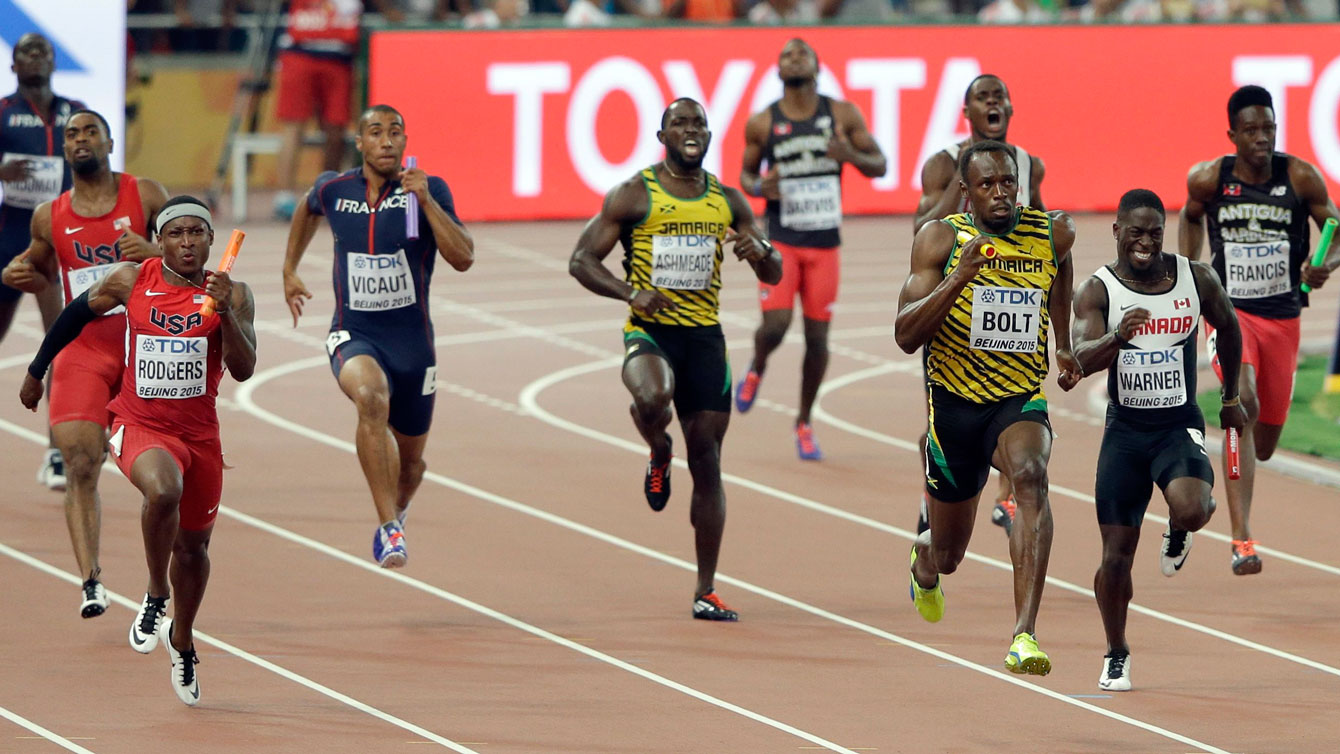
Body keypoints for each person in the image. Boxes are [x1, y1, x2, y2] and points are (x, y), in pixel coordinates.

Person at [20, 196, 257, 706]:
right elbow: (73, 317)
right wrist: (38, 370)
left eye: (197, 233)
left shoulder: (232, 294)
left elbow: (243, 370)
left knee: (193, 551)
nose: (187, 242)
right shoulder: (133, 280)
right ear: (161, 240)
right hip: (138, 423)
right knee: (163, 488)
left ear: (211, 240)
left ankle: (183, 638)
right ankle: (155, 592)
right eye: (176, 233)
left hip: (201, 437)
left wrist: (228, 317)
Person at [569, 97, 781, 621]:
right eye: (679, 123)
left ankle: (705, 589)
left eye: (699, 123)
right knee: (652, 396)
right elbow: (580, 260)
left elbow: (773, 272)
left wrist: (763, 255)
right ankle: (658, 447)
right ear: (661, 136)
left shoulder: (728, 200)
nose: (691, 130)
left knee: (708, 464)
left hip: (705, 341)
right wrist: (628, 293)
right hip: (652, 333)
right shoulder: (635, 194)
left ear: (709, 136)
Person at [894, 140, 1079, 675]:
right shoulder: (941, 239)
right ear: (965, 192)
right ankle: (924, 562)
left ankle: (1024, 635)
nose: (1000, 193)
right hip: (953, 409)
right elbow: (905, 335)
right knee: (950, 556)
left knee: (1031, 472)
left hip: (1016, 399)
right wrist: (960, 277)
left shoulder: (1051, 231)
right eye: (987, 185)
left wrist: (1062, 342)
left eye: (1008, 183)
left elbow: (1060, 268)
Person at [283, 104, 474, 568]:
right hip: (355, 332)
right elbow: (308, 209)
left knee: (410, 467)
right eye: (376, 132)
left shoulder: (427, 191)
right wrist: (289, 268)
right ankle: (390, 529)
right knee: (370, 397)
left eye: (395, 132)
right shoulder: (335, 188)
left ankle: (399, 509)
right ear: (360, 142)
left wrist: (426, 202)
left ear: (405, 141)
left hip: (413, 347)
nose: (386, 141)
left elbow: (464, 257)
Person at [1072, 189, 1246, 692]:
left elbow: (1229, 328)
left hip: (1177, 425)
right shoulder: (1098, 290)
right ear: (1117, 232)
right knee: (1114, 558)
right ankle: (1116, 652)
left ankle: (1178, 526)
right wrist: (1117, 339)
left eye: (1154, 232)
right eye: (1136, 232)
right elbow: (1080, 358)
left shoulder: (1196, 278)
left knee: (1194, 507)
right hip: (1125, 433)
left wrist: (1231, 397)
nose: (1146, 242)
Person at [2, 108, 169, 619]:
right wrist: (21, 273)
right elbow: (39, 265)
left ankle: (160, 582)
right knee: (79, 462)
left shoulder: (146, 196)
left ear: (110, 141)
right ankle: (91, 581)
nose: (80, 139)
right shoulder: (48, 215)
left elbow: (193, 253)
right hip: (84, 350)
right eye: (72, 133)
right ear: (65, 148)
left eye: (90, 131)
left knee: (165, 482)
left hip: (147, 349)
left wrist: (155, 249)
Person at [1178, 85, 1340, 575]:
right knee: (1239, 403)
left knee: (1265, 440)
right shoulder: (1209, 179)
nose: (1261, 138)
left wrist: (1324, 264)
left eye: (1268, 128)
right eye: (1250, 131)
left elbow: (1336, 229)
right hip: (1230, 314)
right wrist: (1190, 274)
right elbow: (1188, 217)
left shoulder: (1300, 176)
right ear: (1232, 135)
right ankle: (1242, 539)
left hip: (1283, 318)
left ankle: (1234, 471)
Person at [734, 38, 887, 461]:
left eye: (802, 53)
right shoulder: (763, 123)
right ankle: (758, 365)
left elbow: (881, 165)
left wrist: (849, 154)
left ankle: (803, 421)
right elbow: (745, 176)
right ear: (778, 71)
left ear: (818, 66)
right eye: (786, 54)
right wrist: (758, 186)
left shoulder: (841, 114)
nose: (794, 57)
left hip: (824, 244)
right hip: (781, 240)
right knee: (776, 327)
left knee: (818, 339)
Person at [914, 73, 1048, 536]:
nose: (992, 104)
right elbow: (924, 227)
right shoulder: (941, 164)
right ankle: (936, 495)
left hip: (1014, 300)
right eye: (982, 98)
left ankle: (1006, 497)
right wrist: (964, 178)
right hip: (956, 308)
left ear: (1010, 109)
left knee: (1018, 411)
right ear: (967, 113)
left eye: (999, 97)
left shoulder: (1029, 165)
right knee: (946, 419)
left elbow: (1043, 227)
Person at [0, 32, 88, 490]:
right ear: (14, 66)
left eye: (43, 51)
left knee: (63, 345)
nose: (35, 58)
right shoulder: (3, 111)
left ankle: (56, 453)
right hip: (10, 236)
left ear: (54, 62)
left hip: (57, 243)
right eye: (25, 53)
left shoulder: (74, 113)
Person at [271, 0, 402, 220]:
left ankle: (326, 193)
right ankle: (283, 197)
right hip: (300, 51)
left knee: (336, 129)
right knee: (294, 126)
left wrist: (391, 12)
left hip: (339, 57)